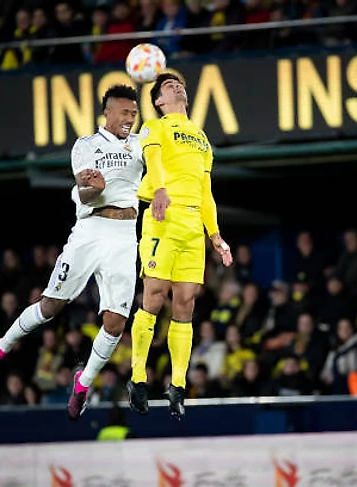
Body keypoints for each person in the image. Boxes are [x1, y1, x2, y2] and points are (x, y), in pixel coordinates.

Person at [0, 85, 143, 420]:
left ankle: (84, 383)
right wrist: (93, 188)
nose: (129, 119)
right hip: (90, 230)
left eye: (134, 114)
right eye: (124, 112)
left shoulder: (141, 146)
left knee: (116, 323)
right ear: (107, 112)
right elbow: (86, 191)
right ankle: (1, 347)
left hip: (125, 235)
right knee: (51, 306)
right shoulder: (86, 146)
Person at [127, 73, 233, 420]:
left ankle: (178, 386)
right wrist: (158, 190)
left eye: (179, 85)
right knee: (155, 295)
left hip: (191, 226)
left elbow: (206, 191)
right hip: (163, 216)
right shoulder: (154, 128)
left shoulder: (202, 138)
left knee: (185, 303)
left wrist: (215, 235)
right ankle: (138, 378)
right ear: (158, 100)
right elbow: (154, 162)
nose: (177, 87)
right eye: (168, 86)